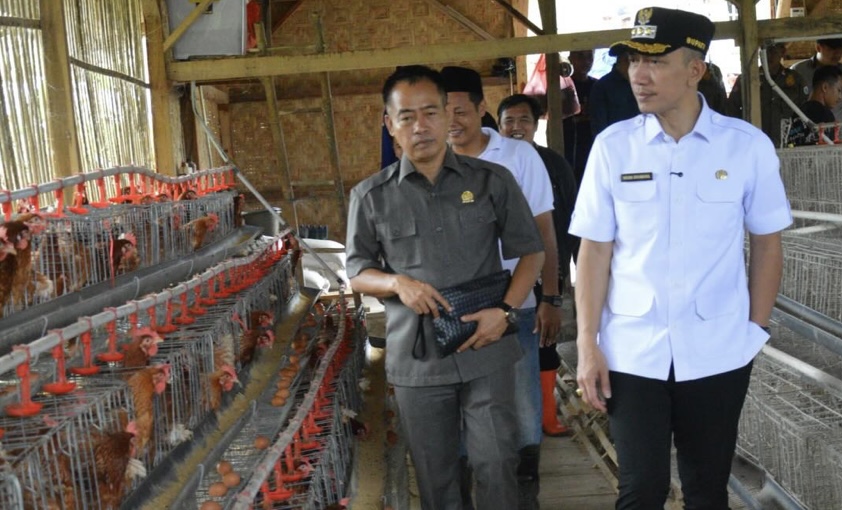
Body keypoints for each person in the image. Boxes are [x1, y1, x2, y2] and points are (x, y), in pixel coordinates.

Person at [569, 8, 791, 509]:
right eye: (633, 61)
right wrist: (587, 343)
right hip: (631, 352)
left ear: (695, 70)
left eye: (656, 62)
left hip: (718, 350)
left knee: (707, 492)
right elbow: (594, 251)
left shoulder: (745, 148)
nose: (638, 75)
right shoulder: (613, 148)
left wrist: (753, 331)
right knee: (641, 490)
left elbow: (767, 243)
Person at [346, 65, 544, 510]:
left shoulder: (491, 180)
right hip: (419, 360)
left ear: (446, 115)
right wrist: (397, 283)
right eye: (407, 116)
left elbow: (531, 253)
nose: (421, 126)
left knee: (496, 463)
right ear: (390, 125)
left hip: (486, 345)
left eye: (431, 112)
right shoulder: (371, 196)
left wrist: (506, 313)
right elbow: (357, 271)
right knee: (436, 478)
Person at [441, 65, 557, 509]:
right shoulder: (430, 159)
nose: (451, 121)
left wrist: (550, 296)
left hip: (515, 304)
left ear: (481, 109)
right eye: (442, 111)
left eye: (460, 111)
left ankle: (526, 497)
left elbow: (544, 231)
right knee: (462, 411)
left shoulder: (518, 156)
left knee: (523, 408)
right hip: (455, 312)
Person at [498, 93, 577, 438]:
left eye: (524, 120)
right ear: (499, 126)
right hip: (505, 270)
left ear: (536, 125)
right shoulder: (490, 163)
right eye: (509, 121)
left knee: (545, 340)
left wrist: (560, 274)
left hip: (546, 264)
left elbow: (571, 216)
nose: (517, 127)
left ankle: (546, 416)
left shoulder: (553, 163)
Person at [727, 42, 808, 147]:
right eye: (763, 50)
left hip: (787, 145)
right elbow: (731, 112)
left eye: (772, 51)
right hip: (754, 145)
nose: (768, 55)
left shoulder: (796, 80)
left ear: (782, 52)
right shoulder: (747, 80)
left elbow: (805, 112)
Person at [786, 65, 842, 146]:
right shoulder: (824, 114)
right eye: (839, 90)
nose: (840, 97)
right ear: (825, 87)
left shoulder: (798, 112)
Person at [565, 50, 597, 184]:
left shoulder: (597, 86)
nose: (586, 61)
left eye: (590, 57)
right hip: (569, 144)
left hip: (592, 143)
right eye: (580, 56)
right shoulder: (563, 86)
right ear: (570, 59)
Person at [589, 51, 640, 135]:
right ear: (621, 61)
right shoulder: (602, 86)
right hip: (616, 139)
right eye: (632, 61)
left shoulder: (642, 83)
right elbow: (599, 126)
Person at [791, 38, 842, 121]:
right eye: (832, 48)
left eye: (840, 49)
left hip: (838, 126)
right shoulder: (798, 71)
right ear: (818, 47)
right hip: (807, 125)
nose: (838, 53)